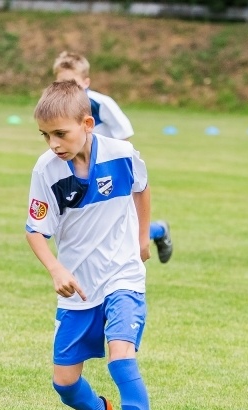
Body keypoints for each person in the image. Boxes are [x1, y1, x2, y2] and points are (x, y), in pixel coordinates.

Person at [26, 80, 164, 410]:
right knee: (64, 384)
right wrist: (56, 269)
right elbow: (36, 230)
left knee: (122, 360)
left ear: (88, 124)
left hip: (122, 278)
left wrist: (142, 238)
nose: (53, 143)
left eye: (61, 133)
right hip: (79, 289)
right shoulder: (46, 170)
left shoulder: (122, 155)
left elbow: (142, 188)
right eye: (45, 135)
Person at [53, 51, 173, 263]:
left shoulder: (100, 103)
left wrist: (120, 169)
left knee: (125, 222)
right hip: (82, 171)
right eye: (62, 82)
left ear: (86, 82)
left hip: (110, 170)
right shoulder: (58, 107)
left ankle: (158, 230)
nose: (67, 87)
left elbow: (124, 135)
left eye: (72, 82)